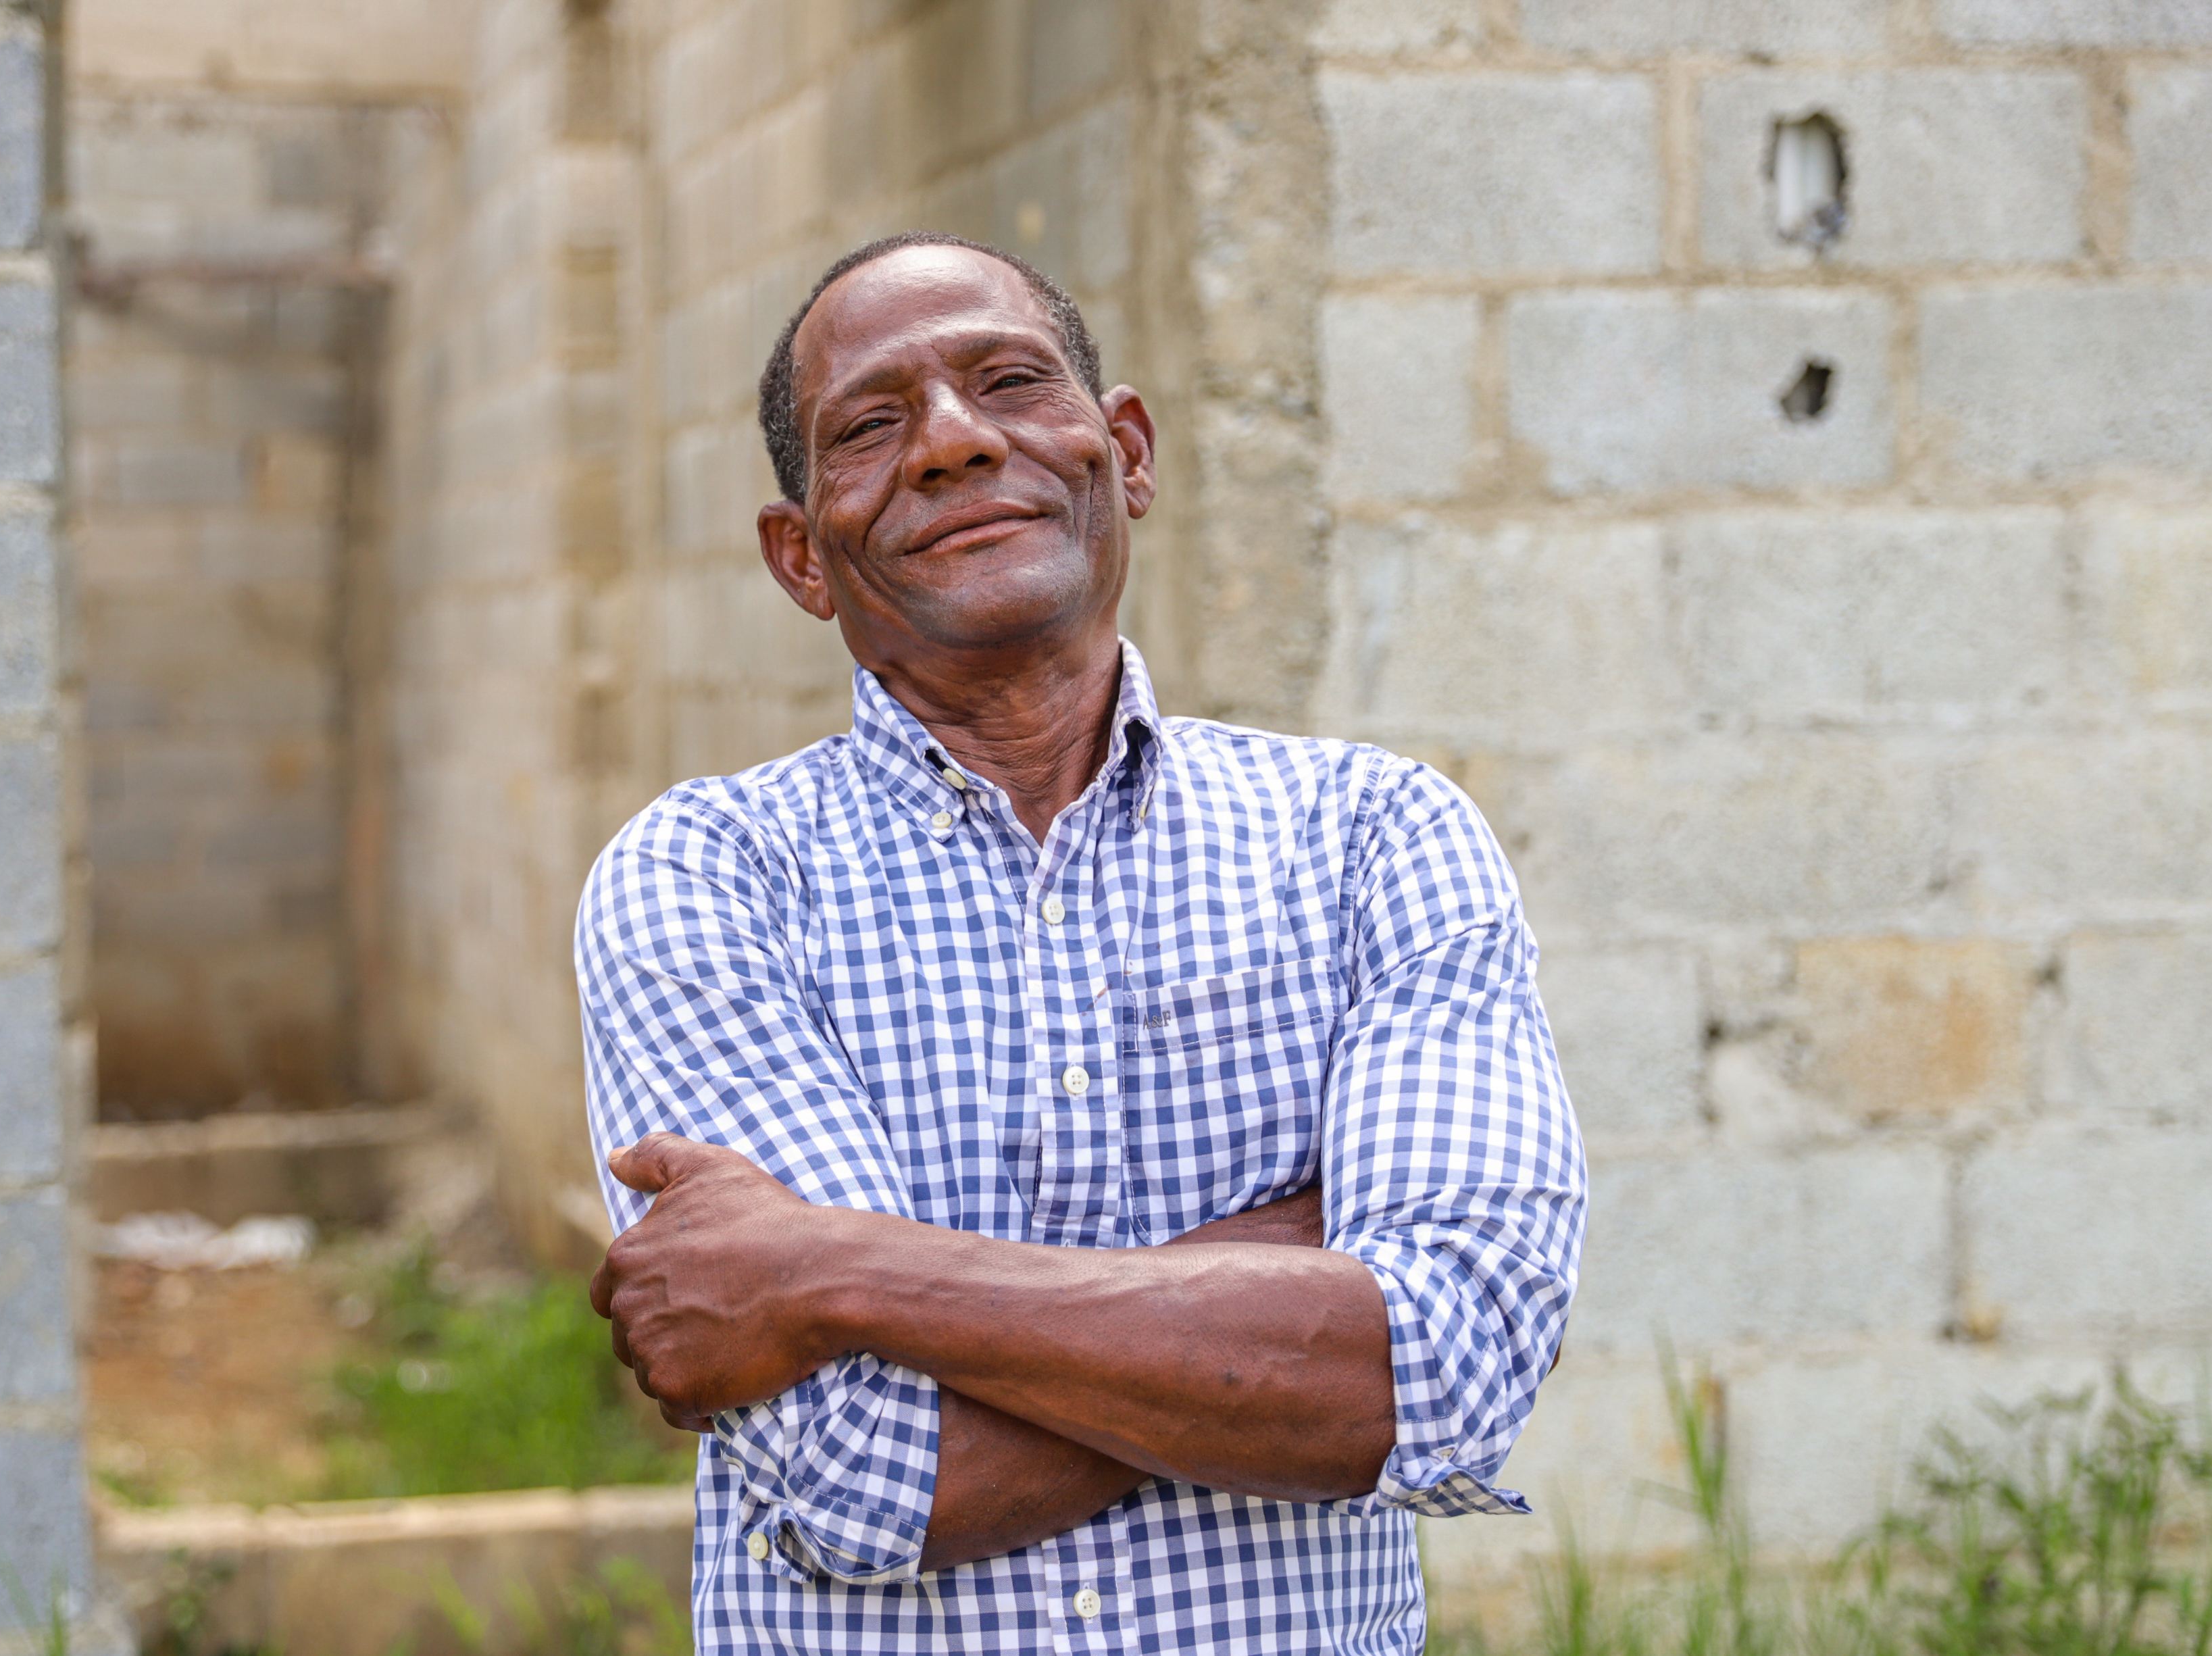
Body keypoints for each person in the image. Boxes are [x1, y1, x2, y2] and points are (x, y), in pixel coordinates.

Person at [581, 230, 1586, 1653]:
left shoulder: (1374, 836)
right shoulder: (708, 878)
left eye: (1009, 381)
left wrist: (829, 1268)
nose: (952, 440)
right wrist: (1296, 1278)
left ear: (1128, 452)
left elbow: (1446, 1373)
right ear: (801, 556)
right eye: (870, 426)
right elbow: (864, 1477)